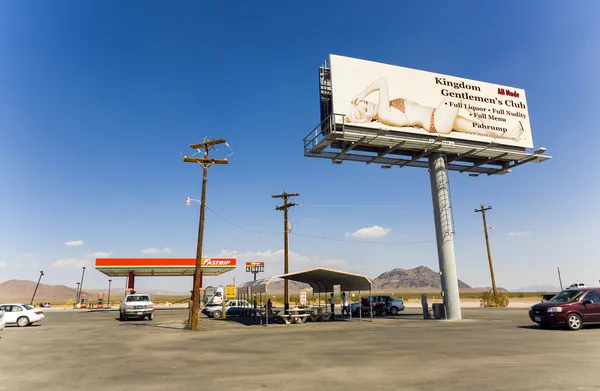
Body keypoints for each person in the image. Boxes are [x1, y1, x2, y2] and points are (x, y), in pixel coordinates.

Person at [346, 77, 524, 141]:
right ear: (368, 119)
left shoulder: (386, 109)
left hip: (438, 118)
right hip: (436, 121)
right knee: (457, 96)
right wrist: (363, 93)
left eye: (367, 102)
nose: (369, 104)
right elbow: (382, 81)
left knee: (475, 129)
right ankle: (489, 120)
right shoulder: (384, 114)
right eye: (366, 109)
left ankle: (510, 135)